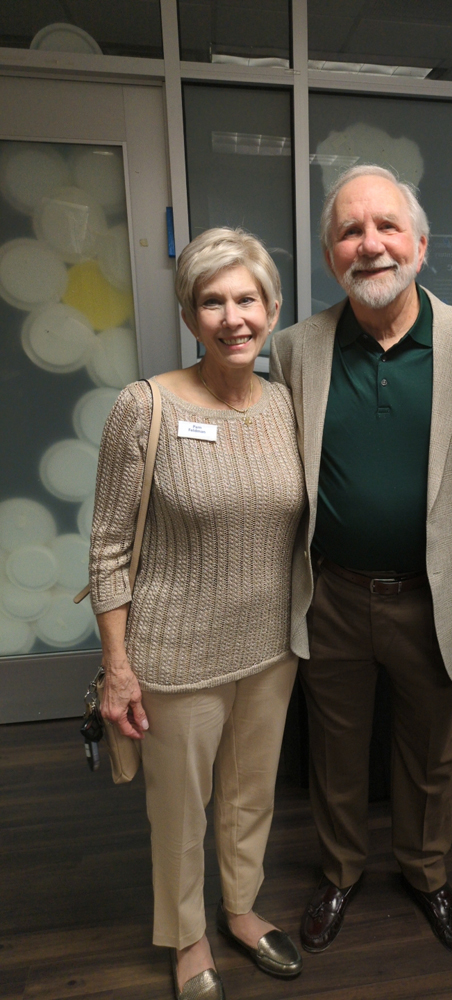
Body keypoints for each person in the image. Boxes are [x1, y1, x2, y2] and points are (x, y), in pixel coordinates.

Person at [270, 164, 452, 959]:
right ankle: (338, 872)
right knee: (334, 749)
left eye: (386, 226)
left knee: (430, 750)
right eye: (349, 231)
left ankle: (427, 873)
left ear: (421, 244)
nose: (369, 245)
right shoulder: (295, 348)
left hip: (434, 596)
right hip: (331, 592)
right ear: (332, 254)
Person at [89, 228, 306, 1000]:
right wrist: (119, 670)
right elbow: (109, 547)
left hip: (271, 648)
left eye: (247, 299)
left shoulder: (285, 405)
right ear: (190, 315)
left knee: (252, 796)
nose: (232, 317)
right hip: (175, 654)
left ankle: (242, 910)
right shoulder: (142, 406)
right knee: (180, 811)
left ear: (272, 308)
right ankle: (187, 936)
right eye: (212, 301)